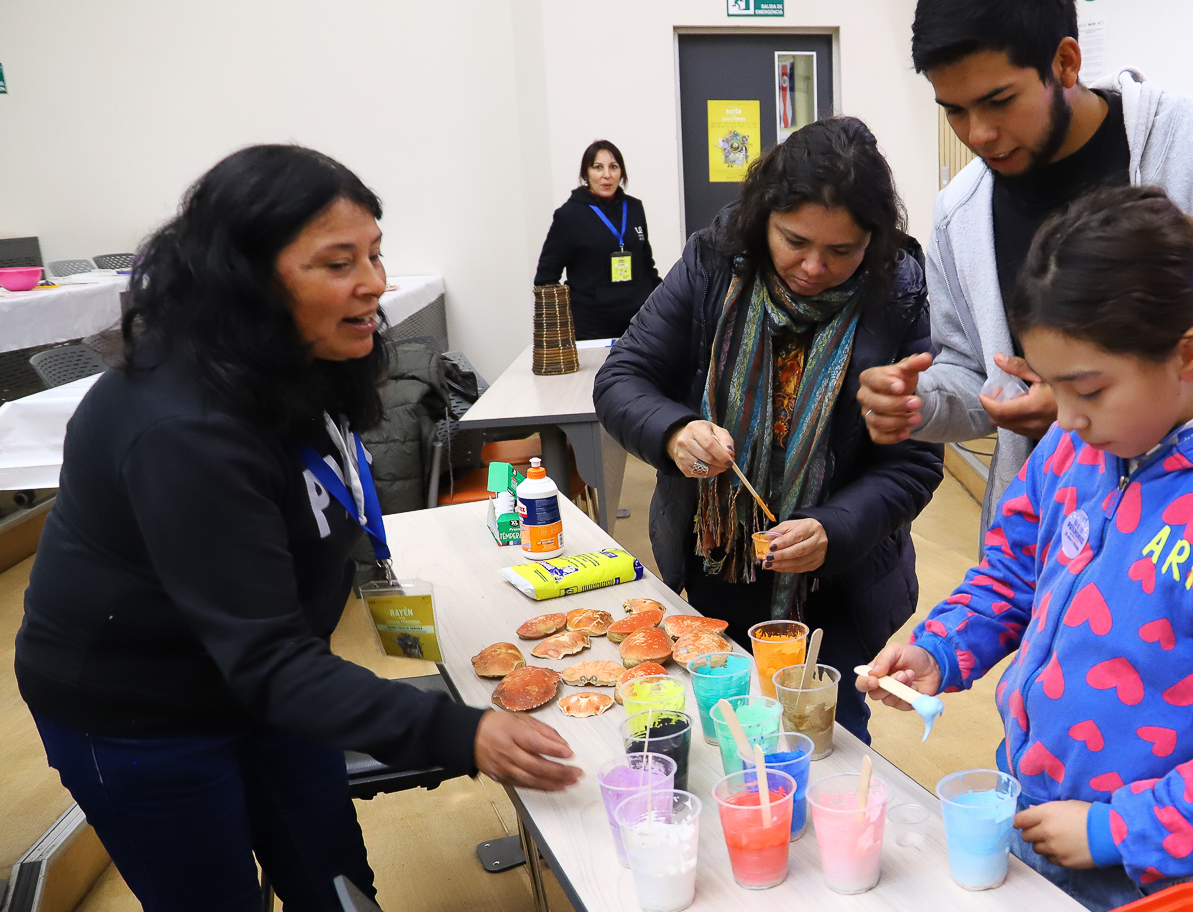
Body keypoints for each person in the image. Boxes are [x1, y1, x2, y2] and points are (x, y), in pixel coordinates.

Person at [14, 145, 582, 912]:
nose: (375, 283)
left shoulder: (295, 360)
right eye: (338, 261)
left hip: (272, 687)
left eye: (376, 254)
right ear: (243, 276)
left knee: (334, 879)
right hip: (141, 714)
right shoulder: (179, 426)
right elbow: (266, 655)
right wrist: (462, 732)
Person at [856, 185, 1193, 912]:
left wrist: (1118, 827)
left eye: (1086, 389)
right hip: (1036, 811)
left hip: (1161, 868)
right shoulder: (1076, 450)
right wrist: (943, 646)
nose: (1065, 416)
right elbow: (1014, 573)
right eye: (1051, 385)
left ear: (1190, 355)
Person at [857, 0, 1193, 539]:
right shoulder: (961, 212)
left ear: (1066, 62)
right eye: (952, 110)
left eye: (998, 101)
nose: (977, 133)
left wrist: (1083, 403)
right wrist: (921, 401)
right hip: (1047, 543)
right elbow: (979, 374)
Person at [594, 117, 944, 742]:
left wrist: (833, 528)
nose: (813, 267)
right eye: (795, 241)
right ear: (764, 219)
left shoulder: (900, 295)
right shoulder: (715, 263)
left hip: (837, 591)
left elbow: (914, 462)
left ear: (875, 238)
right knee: (715, 740)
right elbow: (622, 378)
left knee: (819, 751)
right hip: (714, 566)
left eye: (842, 251)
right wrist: (675, 433)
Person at [535, 139, 660, 340]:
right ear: (586, 174)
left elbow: (647, 264)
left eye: (613, 167)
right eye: (598, 167)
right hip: (591, 328)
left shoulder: (634, 208)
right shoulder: (569, 215)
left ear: (622, 172)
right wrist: (556, 331)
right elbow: (546, 279)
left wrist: (664, 307)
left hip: (638, 323)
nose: (606, 175)